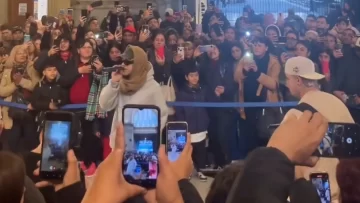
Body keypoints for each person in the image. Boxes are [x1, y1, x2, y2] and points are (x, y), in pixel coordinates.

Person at [283, 56, 354, 202]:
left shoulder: (296, 114)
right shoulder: (336, 102)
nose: (286, 83)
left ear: (298, 80)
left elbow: (284, 157)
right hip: (346, 187)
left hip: (317, 191)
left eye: (288, 78)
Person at [99, 45, 168, 149]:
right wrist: (113, 83)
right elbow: (104, 105)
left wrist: (147, 137)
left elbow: (162, 116)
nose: (123, 65)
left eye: (127, 62)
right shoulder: (120, 83)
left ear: (137, 64)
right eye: (122, 61)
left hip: (143, 145)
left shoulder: (153, 87)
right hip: (119, 145)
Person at [0, 44, 40, 152]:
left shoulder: (32, 68)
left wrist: (21, 81)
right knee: (11, 145)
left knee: (30, 145)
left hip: (30, 112)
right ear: (14, 55)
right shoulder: (7, 71)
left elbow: (36, 86)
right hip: (11, 113)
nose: (22, 55)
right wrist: (15, 85)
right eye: (19, 53)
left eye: (24, 53)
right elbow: (1, 91)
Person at [175, 67, 209, 181]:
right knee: (188, 150)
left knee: (201, 150)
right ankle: (188, 170)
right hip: (189, 126)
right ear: (186, 77)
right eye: (191, 75)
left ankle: (200, 170)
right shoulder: (181, 93)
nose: (194, 78)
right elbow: (179, 111)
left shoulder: (204, 90)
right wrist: (183, 125)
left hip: (201, 125)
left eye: (196, 75)